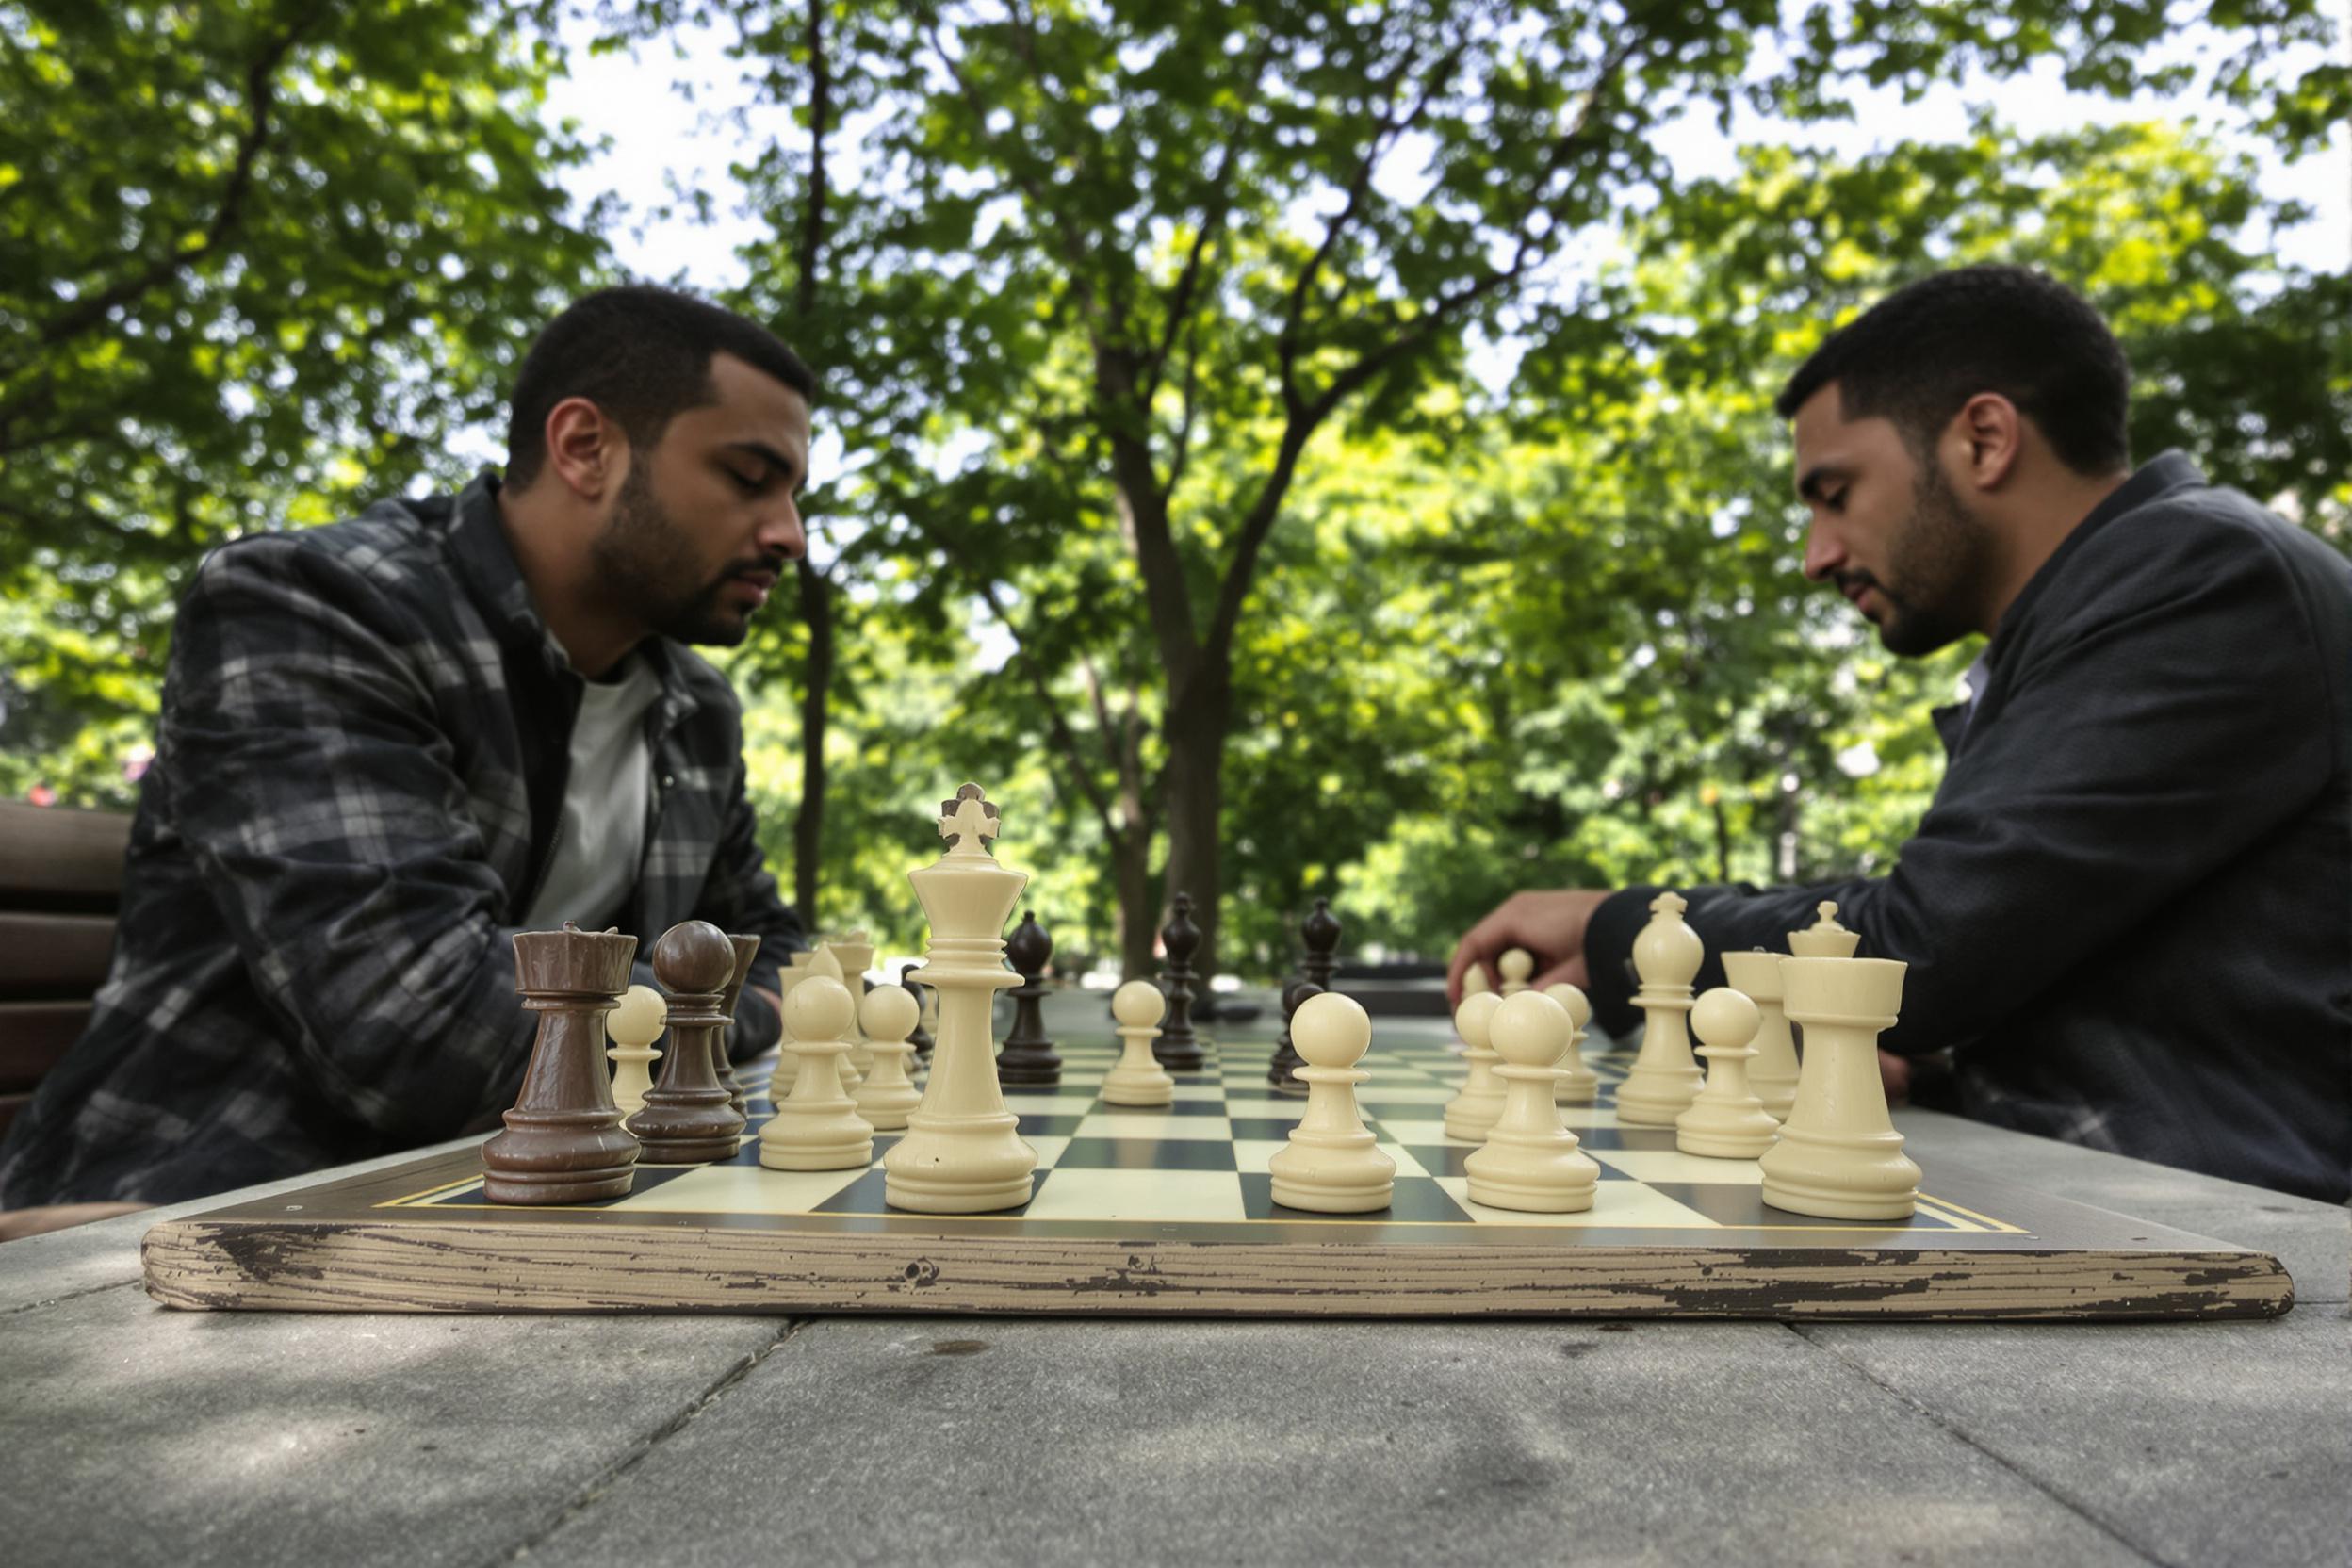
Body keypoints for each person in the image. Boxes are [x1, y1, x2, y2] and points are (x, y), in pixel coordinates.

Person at [1448, 266, 2351, 1204]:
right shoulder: (2122, 599)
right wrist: (1909, 1059)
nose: (1816, 556)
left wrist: (1619, 925)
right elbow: (2046, 949)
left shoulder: (2200, 574)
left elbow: (1923, 946)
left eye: (1833, 492)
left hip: (2253, 1266)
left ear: (1985, 439)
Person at [0, 286, 815, 1219]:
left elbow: (767, 945)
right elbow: (422, 1033)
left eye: (793, 494)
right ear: (586, 448)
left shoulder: (694, 706)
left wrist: (751, 1002)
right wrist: (744, 1015)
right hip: (204, 1217)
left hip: (530, 1207)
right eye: (751, 478)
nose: (789, 533)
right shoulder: (318, 607)